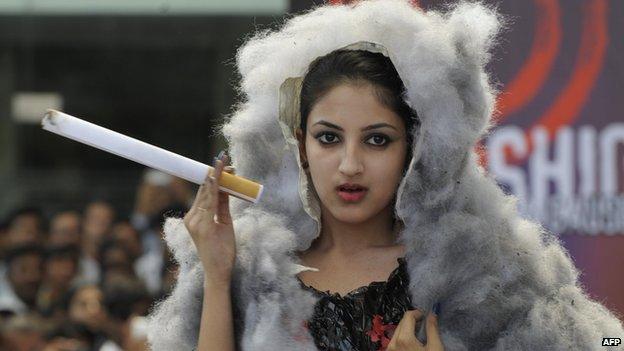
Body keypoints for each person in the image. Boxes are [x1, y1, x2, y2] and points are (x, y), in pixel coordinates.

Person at [147, 1, 624, 350]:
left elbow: (605, 344)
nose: (350, 165)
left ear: (412, 150)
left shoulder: (477, 274)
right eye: (329, 138)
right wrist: (216, 270)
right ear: (301, 145)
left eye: (377, 139)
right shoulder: (253, 272)